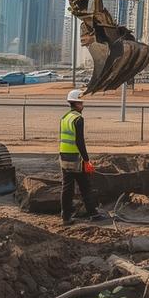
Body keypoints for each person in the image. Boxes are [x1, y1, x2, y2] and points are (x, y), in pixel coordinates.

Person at [59, 89, 107, 224]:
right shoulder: (78, 119)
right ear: (77, 103)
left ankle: (65, 216)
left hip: (64, 157)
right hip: (75, 159)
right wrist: (86, 160)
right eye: (81, 103)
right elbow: (80, 141)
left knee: (66, 187)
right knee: (85, 186)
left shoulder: (65, 117)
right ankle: (93, 214)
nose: (83, 105)